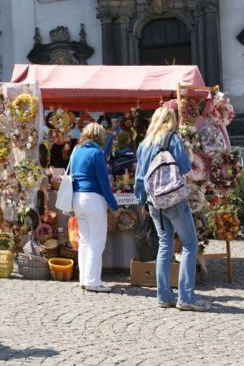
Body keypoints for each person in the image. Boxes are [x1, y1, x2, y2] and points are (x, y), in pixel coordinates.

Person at [134, 107, 210, 312]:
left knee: (164, 245)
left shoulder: (144, 144)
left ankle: (163, 296)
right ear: (171, 120)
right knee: (189, 245)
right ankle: (186, 297)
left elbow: (139, 178)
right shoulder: (172, 139)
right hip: (173, 199)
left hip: (154, 202)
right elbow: (185, 167)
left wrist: (143, 202)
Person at [70, 122, 119, 292]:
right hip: (93, 199)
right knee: (97, 241)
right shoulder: (97, 152)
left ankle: (84, 278)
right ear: (99, 136)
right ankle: (92, 281)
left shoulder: (76, 151)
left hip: (77, 198)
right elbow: (103, 182)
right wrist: (113, 204)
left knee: (84, 240)